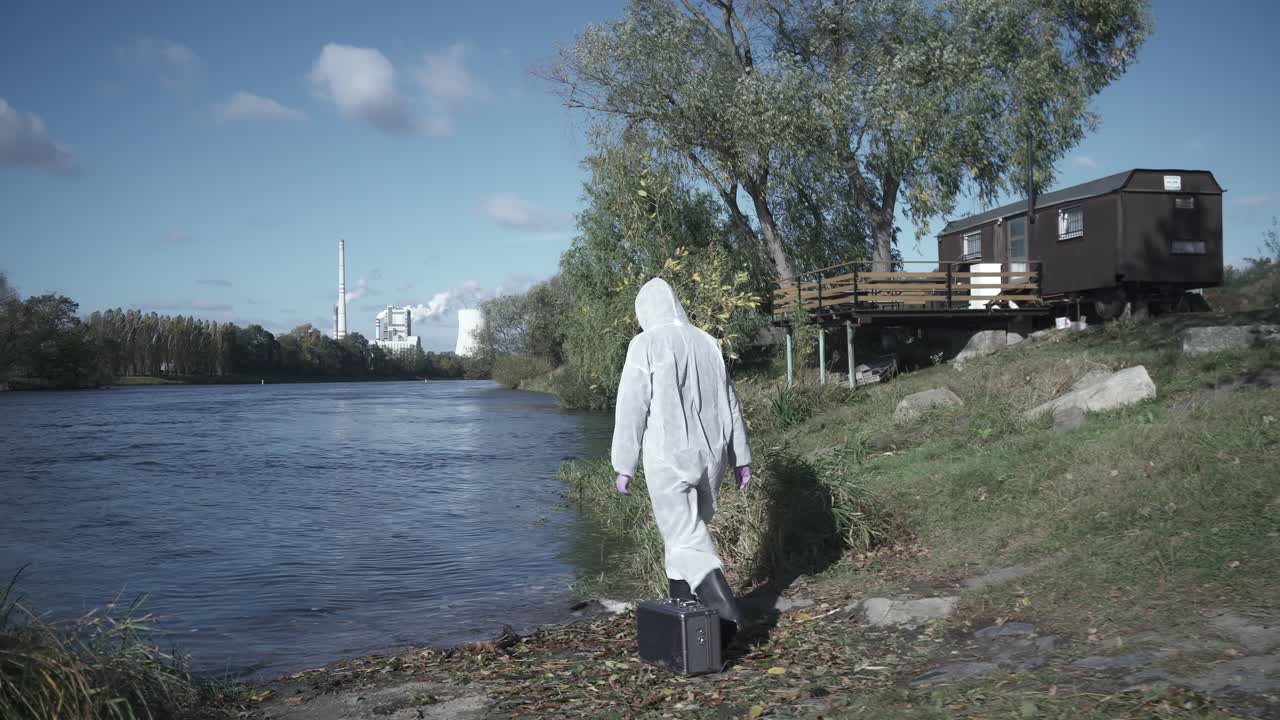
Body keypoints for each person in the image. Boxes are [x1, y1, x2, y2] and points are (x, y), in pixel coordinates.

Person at [611, 277, 752, 648]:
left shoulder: (645, 344)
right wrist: (741, 458)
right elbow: (730, 403)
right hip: (712, 456)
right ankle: (689, 625)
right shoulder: (708, 342)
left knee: (686, 540)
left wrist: (624, 464)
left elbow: (631, 407)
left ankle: (731, 620)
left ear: (645, 310)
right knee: (680, 538)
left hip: (668, 458)